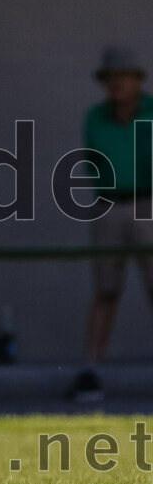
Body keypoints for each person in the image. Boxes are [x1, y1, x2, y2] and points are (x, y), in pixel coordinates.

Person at [67, 46, 153, 403]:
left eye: (124, 77)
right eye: (111, 78)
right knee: (105, 289)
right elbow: (96, 162)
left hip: (148, 202)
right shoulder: (95, 117)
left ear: (137, 80)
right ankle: (91, 368)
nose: (117, 83)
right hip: (109, 205)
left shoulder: (151, 111)